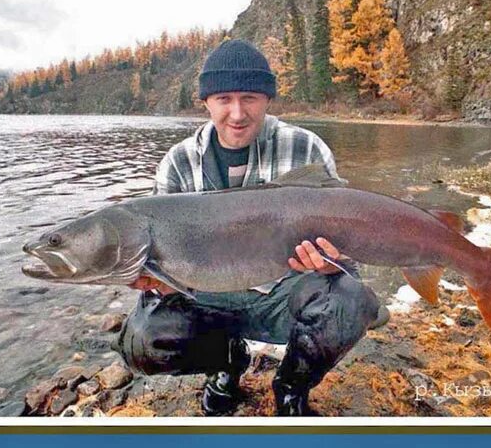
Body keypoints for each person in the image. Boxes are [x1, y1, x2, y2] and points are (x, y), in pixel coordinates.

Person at [116, 38, 382, 416]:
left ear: (268, 99)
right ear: (205, 101)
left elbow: (347, 256)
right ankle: (226, 364)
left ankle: (292, 386)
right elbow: (161, 270)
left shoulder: (306, 149)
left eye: (250, 98)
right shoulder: (177, 164)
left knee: (353, 301)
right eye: (224, 99)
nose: (237, 113)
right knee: (142, 340)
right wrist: (155, 280)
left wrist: (330, 262)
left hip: (281, 293)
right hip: (205, 297)